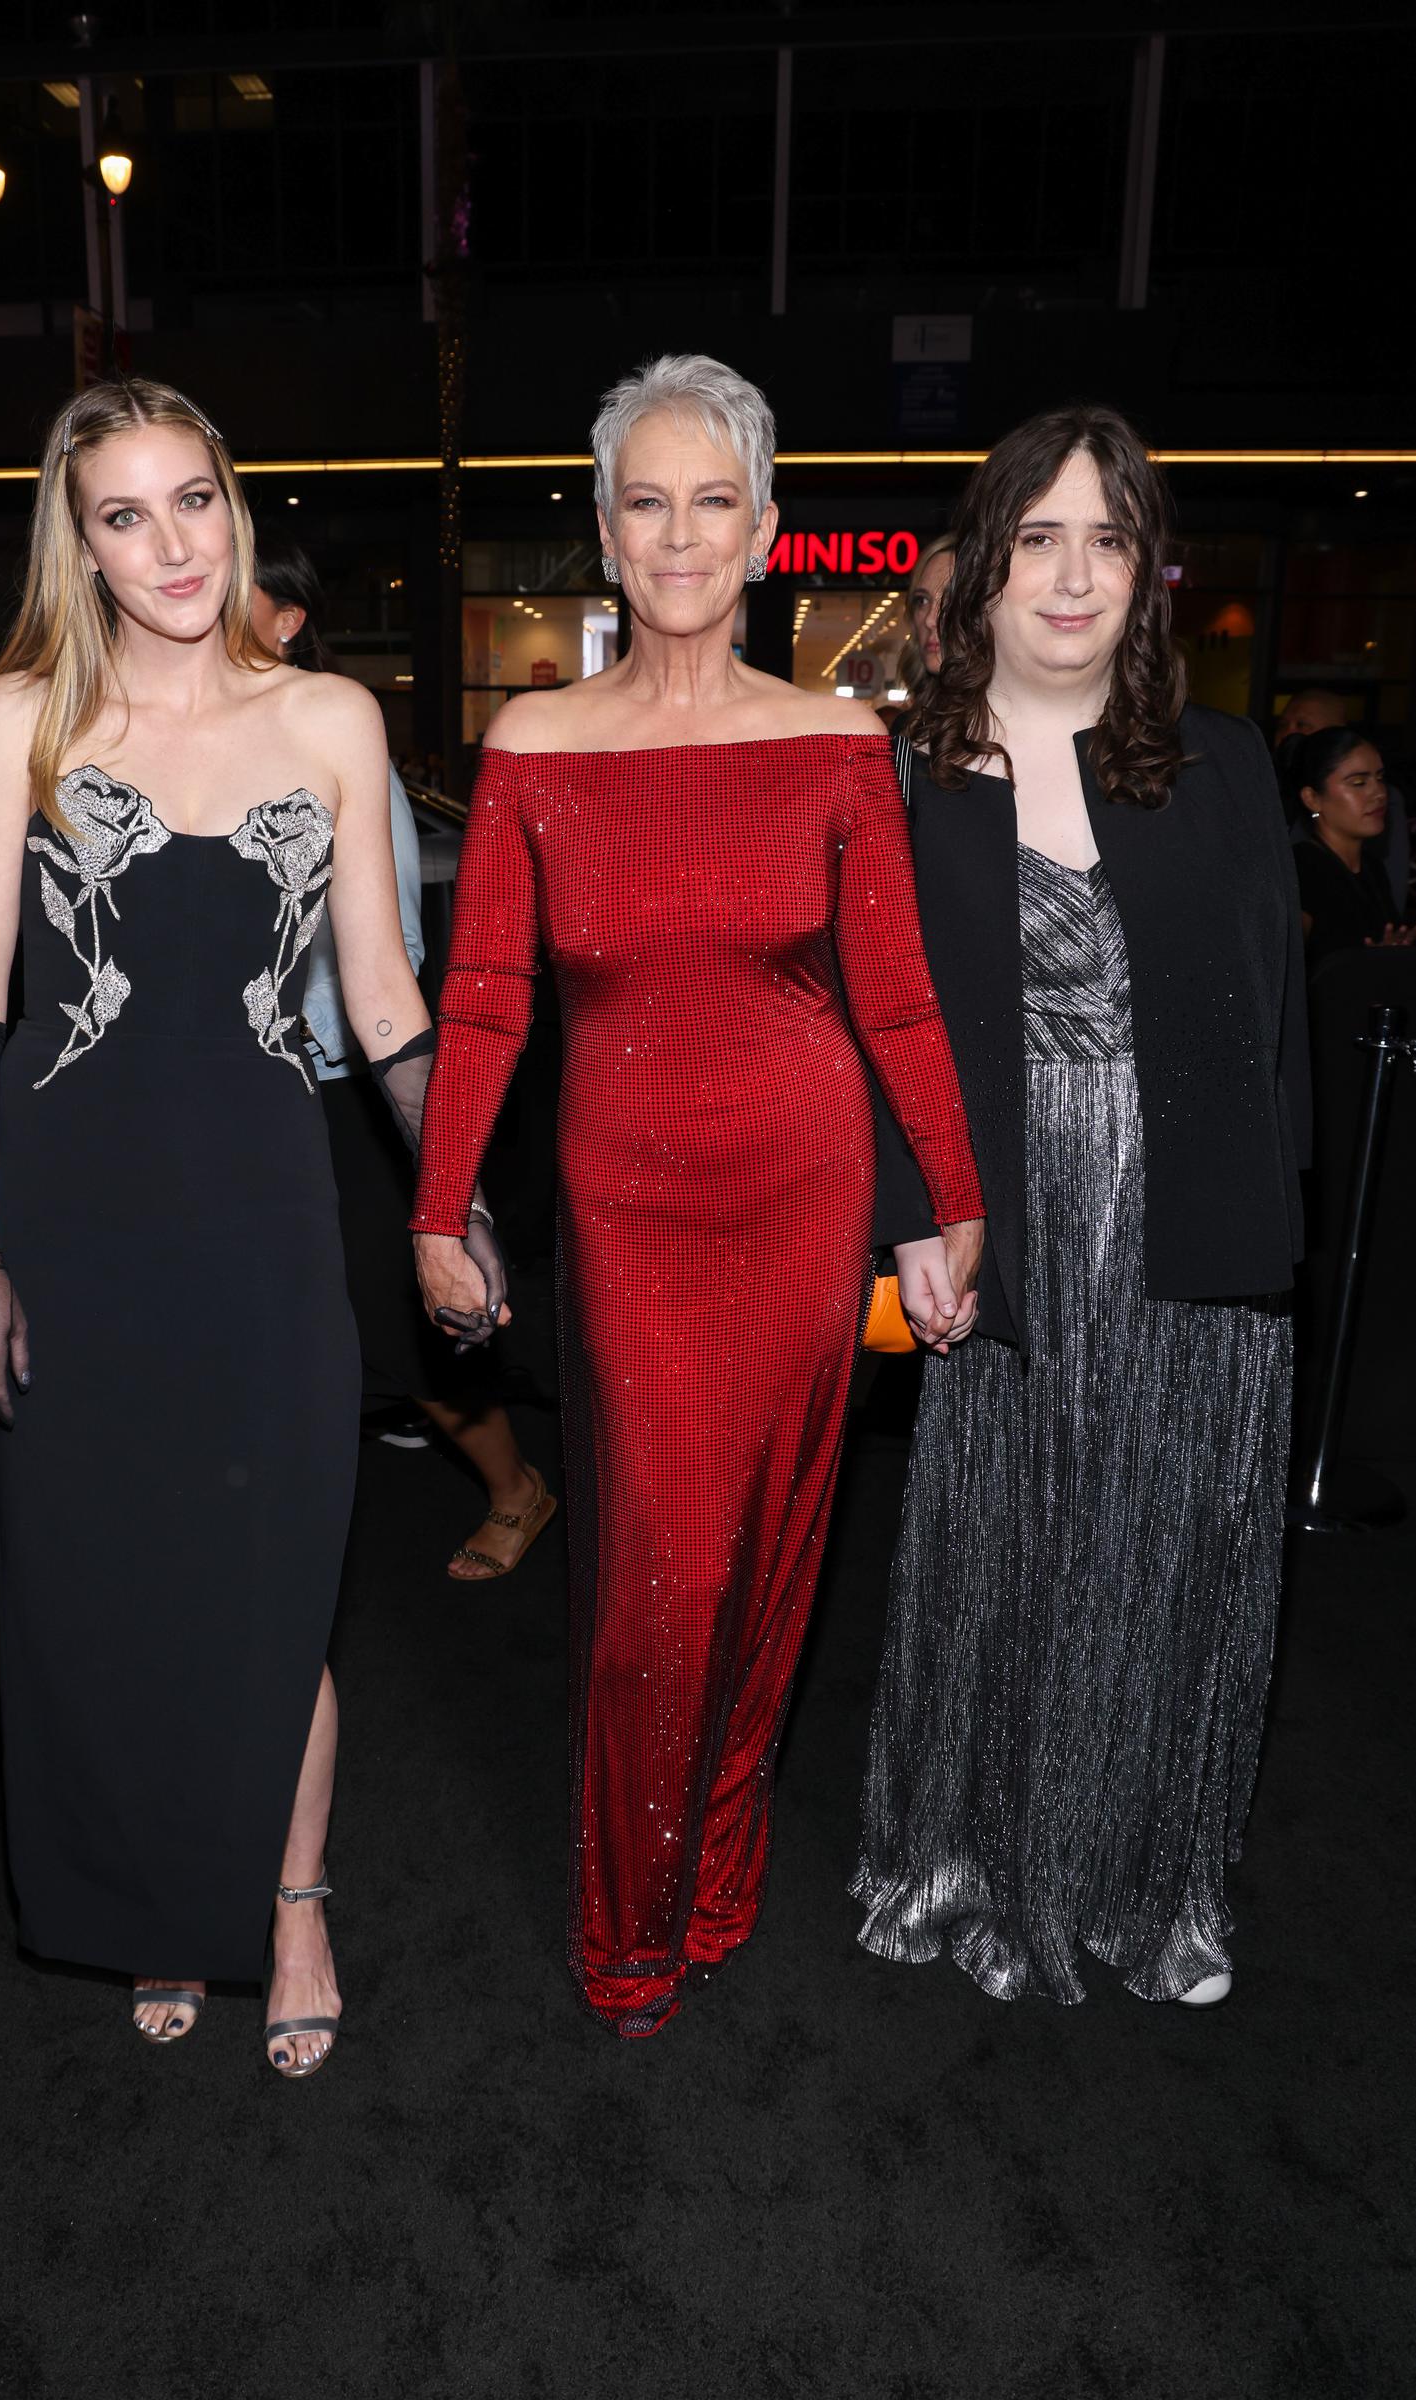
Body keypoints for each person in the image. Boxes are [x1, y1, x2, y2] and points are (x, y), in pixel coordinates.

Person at [408, 353, 984, 2038]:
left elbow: (895, 1002)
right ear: (604, 529)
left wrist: (949, 1194)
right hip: (626, 1216)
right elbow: (490, 1001)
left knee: (774, 1564)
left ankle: (718, 1869)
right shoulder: (535, 742)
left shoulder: (829, 744)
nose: (676, 534)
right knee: (652, 1581)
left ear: (764, 532)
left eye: (710, 500)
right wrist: (440, 1204)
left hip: (798, 1198)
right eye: (644, 501)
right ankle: (627, 1915)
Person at [0, 377, 499, 2078]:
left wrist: (456, 1190)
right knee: (102, 1596)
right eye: (126, 514)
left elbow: (389, 1004)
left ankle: (295, 1894)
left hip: (260, 1226)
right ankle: (158, 1905)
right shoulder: (13, 720)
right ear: (81, 540)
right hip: (70, 1220)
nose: (170, 544)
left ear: (229, 507)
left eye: (193, 501)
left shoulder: (330, 720)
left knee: (273, 1582)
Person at [851, 404, 1309, 2010]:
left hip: (1187, 1218)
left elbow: (1273, 1023)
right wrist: (910, 1214)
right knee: (1011, 1543)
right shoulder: (906, 779)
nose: (1070, 575)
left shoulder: (1229, 765)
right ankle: (975, 1860)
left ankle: (1144, 1881)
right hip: (1006, 1224)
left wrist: (1273, 1235)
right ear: (981, 571)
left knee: (1172, 1550)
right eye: (1035, 538)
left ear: (1144, 574)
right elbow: (868, 1024)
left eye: (1105, 539)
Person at [252, 539, 558, 1580]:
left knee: (406, 1319)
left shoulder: (334, 728)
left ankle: (517, 1490)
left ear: (288, 618)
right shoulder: (192, 733)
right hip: (243, 1096)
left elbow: (394, 954)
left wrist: (305, 1033)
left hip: (344, 1089)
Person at [1290, 726, 1416, 967]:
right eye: (1358, 782)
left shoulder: (1372, 866)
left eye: (1380, 777)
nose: (1378, 793)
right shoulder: (1303, 869)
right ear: (1312, 798)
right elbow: (1283, 971)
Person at [899, 532, 956, 704]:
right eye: (922, 601)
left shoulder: (1025, 724)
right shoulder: (909, 726)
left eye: (950, 600)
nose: (930, 620)